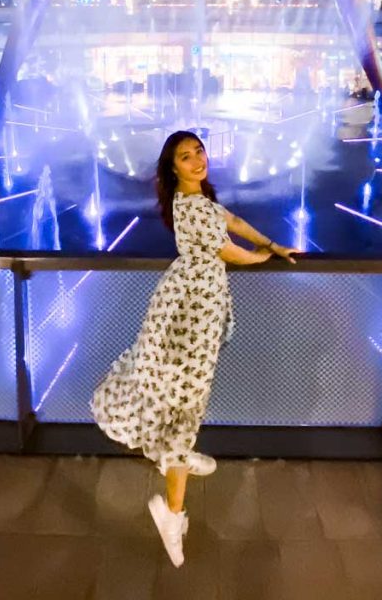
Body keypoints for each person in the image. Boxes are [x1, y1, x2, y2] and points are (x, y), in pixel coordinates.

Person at [90, 130, 297, 568]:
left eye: (199, 151)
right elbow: (232, 251)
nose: (197, 160)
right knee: (187, 399)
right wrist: (263, 256)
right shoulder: (193, 207)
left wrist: (271, 243)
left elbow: (234, 222)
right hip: (190, 313)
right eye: (186, 157)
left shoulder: (199, 202)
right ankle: (171, 510)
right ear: (173, 168)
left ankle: (176, 453)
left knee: (183, 392)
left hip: (190, 307)